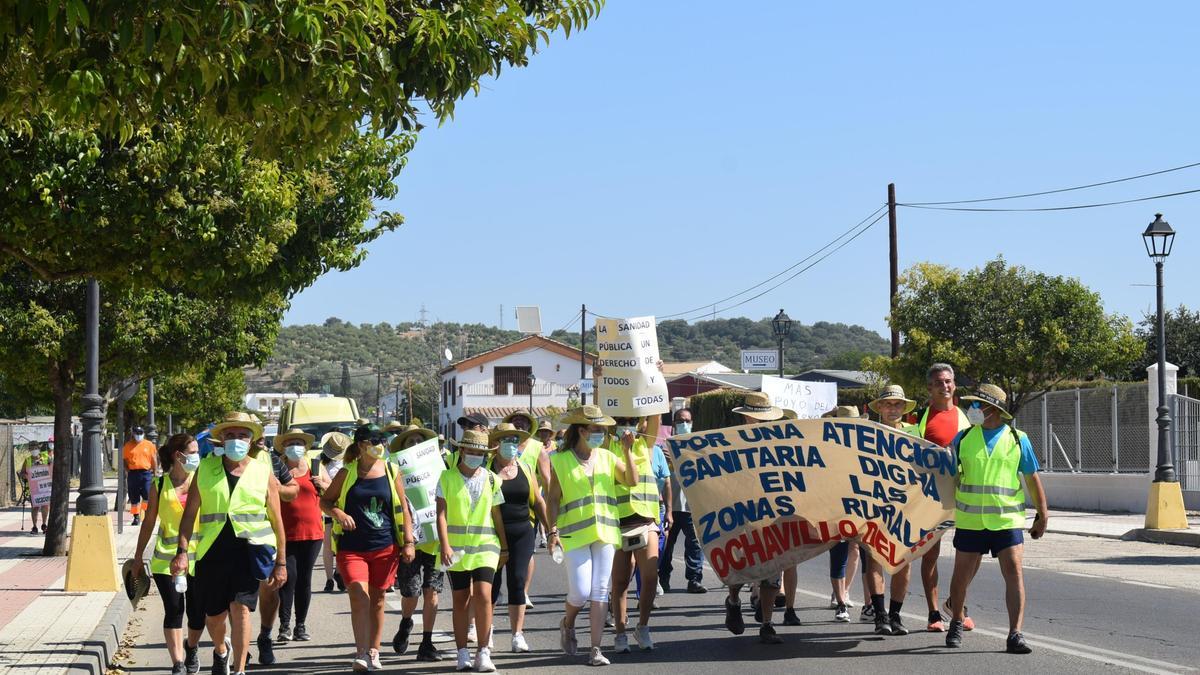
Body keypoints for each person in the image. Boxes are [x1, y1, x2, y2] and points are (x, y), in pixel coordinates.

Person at [172, 412, 287, 675]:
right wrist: (182, 551)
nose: (237, 440)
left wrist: (281, 561)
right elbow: (190, 515)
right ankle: (221, 650)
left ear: (251, 441)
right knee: (214, 616)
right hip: (212, 551)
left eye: (243, 436)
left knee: (241, 609)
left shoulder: (263, 472)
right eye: (231, 435)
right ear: (222, 438)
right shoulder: (206, 469)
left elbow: (277, 520)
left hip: (249, 551)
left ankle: (239, 669)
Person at [946, 384, 1048, 654]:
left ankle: (1015, 633)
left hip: (1006, 520)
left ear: (995, 410)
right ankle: (956, 620)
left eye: (979, 405)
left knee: (1014, 572)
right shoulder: (963, 438)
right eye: (974, 405)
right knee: (961, 576)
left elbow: (1031, 478)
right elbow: (945, 475)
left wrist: (1042, 515)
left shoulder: (1017, 438)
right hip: (970, 520)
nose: (973, 409)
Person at [545, 405, 639, 666]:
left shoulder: (608, 457)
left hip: (605, 532)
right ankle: (568, 622)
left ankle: (595, 649)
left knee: (600, 590)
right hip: (574, 534)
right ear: (582, 431)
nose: (602, 434)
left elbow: (632, 480)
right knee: (580, 592)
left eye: (603, 430)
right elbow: (553, 499)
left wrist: (628, 451)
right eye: (597, 430)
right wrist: (552, 530)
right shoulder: (560, 460)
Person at [321, 424, 416, 672]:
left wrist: (408, 542)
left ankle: (374, 652)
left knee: (378, 599)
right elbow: (326, 501)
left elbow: (403, 508)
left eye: (382, 440)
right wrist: (338, 513)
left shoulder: (391, 470)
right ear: (362, 445)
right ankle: (361, 652)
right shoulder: (347, 473)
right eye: (375, 441)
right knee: (358, 595)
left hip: (385, 546)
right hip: (352, 548)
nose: (380, 445)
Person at [131, 434, 204, 675]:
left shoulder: (201, 480)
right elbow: (149, 522)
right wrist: (139, 556)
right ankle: (178, 662)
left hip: (199, 558)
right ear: (178, 456)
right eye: (193, 452)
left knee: (197, 614)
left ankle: (191, 647)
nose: (197, 456)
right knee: (174, 610)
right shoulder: (159, 485)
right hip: (166, 561)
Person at [437, 429, 508, 672]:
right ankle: (462, 652)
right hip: (455, 549)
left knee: (484, 595)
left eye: (480, 453)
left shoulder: (491, 478)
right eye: (472, 451)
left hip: (486, 546)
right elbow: (441, 514)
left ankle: (483, 652)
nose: (476, 456)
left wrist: (505, 546)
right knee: (460, 599)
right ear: (462, 451)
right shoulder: (446, 478)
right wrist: (444, 544)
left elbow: (497, 514)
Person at [723, 392, 786, 644]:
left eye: (764, 419)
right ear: (746, 417)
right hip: (741, 516)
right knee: (739, 568)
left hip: (772, 516)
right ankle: (734, 601)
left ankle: (768, 623)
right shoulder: (729, 443)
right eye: (756, 418)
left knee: (772, 572)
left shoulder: (778, 445)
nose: (760, 423)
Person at [916, 363, 973, 632]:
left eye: (949, 381)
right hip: (931, 497)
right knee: (931, 556)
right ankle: (934, 613)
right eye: (939, 382)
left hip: (964, 496)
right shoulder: (920, 418)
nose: (945, 386)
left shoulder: (967, 417)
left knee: (969, 555)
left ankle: (957, 605)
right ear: (930, 387)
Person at [861, 385, 921, 636]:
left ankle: (896, 615)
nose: (893, 408)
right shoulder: (865, 435)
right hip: (873, 508)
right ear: (880, 408)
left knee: (903, 562)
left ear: (904, 409)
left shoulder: (915, 434)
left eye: (897, 404)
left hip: (905, 508)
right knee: (874, 558)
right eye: (888, 404)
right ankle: (880, 614)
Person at [488, 423, 551, 654]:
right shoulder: (486, 469)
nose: (511, 445)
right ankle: (487, 629)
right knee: (490, 586)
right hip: (493, 534)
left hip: (523, 531)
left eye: (515, 440)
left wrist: (551, 530)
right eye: (506, 440)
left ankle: (517, 635)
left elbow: (538, 501)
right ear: (496, 444)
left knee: (517, 581)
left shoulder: (524, 467)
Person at [607, 412, 665, 653]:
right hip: (618, 521)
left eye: (631, 421)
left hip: (645, 518)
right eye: (621, 422)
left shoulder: (645, 445)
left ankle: (642, 626)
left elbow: (655, 415)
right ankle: (620, 632)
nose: (627, 426)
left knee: (650, 576)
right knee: (620, 580)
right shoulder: (607, 446)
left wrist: (652, 381)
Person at [389, 426, 446, 662]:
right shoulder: (394, 472)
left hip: (435, 541)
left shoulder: (440, 466)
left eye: (418, 440)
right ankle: (406, 622)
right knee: (411, 592)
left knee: (432, 592)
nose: (414, 444)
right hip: (410, 541)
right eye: (409, 441)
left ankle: (427, 642)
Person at [250, 424, 300, 665]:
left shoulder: (272, 461)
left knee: (269, 592)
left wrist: (276, 488)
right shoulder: (216, 464)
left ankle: (265, 636)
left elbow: (294, 488)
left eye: (260, 433)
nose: (260, 438)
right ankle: (238, 643)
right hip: (228, 540)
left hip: (265, 538)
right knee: (235, 599)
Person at [275, 429, 327, 644]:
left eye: (299, 442)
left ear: (305, 447)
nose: (295, 446)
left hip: (312, 533)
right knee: (288, 579)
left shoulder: (316, 467)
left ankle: (300, 625)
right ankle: (284, 625)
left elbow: (333, 492)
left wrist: (322, 484)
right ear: (284, 447)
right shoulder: (278, 467)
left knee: (304, 580)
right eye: (290, 442)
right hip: (285, 534)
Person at [502, 411, 550, 610]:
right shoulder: (501, 447)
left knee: (526, 552)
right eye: (515, 421)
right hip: (501, 504)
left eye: (523, 421)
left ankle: (523, 591)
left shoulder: (537, 448)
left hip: (528, 505)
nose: (519, 423)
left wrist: (551, 509)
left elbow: (547, 480)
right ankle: (501, 591)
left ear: (529, 426)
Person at [660, 408, 705, 594]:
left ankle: (694, 579)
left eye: (687, 420)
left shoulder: (699, 449)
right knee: (666, 546)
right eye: (679, 420)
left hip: (691, 506)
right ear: (673, 424)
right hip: (669, 507)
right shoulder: (663, 448)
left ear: (692, 423)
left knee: (695, 544)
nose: (683, 424)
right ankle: (662, 579)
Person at [319, 431, 352, 593]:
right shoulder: (321, 464)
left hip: (344, 509)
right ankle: (329, 578)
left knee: (340, 544)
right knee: (327, 544)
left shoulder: (349, 464)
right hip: (328, 508)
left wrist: (326, 485)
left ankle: (339, 573)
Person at [124, 426, 159, 526]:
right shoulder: (128, 445)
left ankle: (146, 514)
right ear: (133, 434)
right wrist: (127, 470)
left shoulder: (149, 445)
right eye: (137, 433)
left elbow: (154, 459)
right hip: (133, 474)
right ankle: (136, 517)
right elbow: (125, 460)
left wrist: (155, 471)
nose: (139, 435)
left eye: (141, 433)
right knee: (134, 497)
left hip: (146, 473)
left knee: (147, 495)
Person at [20, 444, 51, 534]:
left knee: (45, 506)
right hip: (33, 489)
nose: (34, 450)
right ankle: (34, 527)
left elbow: (52, 468)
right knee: (35, 507)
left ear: (39, 448)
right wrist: (26, 475)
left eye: (35, 448)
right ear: (29, 450)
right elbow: (22, 473)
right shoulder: (27, 460)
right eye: (32, 448)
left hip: (44, 487)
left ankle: (44, 525)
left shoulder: (46, 457)